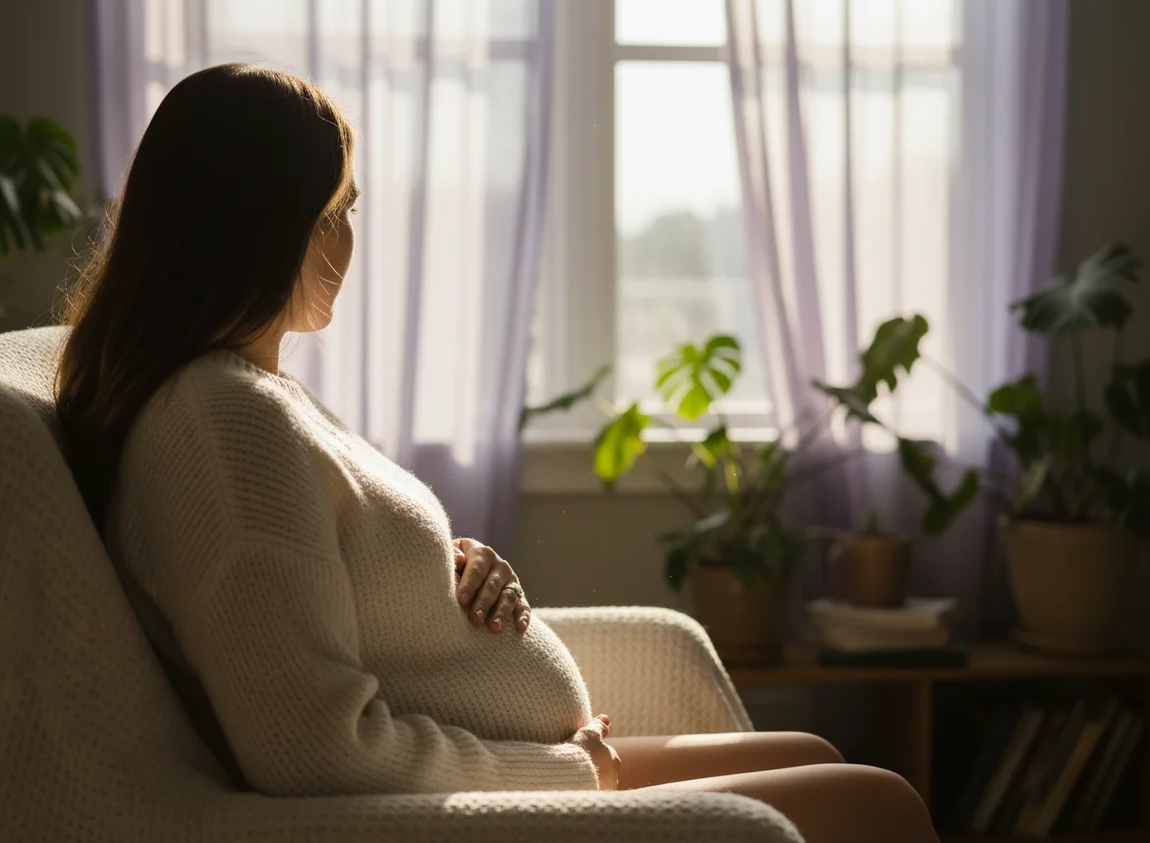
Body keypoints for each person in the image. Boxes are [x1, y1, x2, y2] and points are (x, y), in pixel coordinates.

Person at [56, 64, 937, 843]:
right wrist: (570, 774)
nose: (347, 242)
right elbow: (311, 751)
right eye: (338, 211)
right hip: (493, 798)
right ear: (267, 227)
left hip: (526, 762)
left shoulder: (241, 397)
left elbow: (324, 582)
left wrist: (451, 569)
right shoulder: (221, 426)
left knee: (813, 753)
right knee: (877, 803)